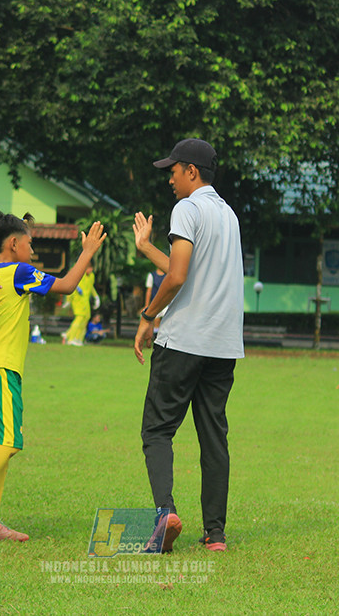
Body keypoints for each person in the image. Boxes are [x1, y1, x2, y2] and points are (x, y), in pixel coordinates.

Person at [0, 212, 106, 543]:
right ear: (13, 244)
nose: (33, 252)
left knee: (1, 442)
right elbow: (67, 286)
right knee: (8, 442)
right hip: (1, 367)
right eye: (30, 244)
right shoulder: (18, 272)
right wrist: (87, 251)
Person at [132, 138, 244, 553]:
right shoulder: (228, 215)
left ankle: (166, 514)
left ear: (191, 172)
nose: (170, 180)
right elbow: (187, 270)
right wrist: (146, 248)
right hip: (223, 343)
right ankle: (215, 534)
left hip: (183, 341)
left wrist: (147, 316)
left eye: (173, 171)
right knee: (214, 435)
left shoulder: (188, 208)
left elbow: (178, 278)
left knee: (157, 430)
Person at [64, 264, 98, 346]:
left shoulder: (91, 276)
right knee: (80, 317)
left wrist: (96, 296)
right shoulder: (79, 273)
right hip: (77, 299)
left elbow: (91, 287)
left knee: (86, 317)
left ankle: (78, 338)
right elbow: (70, 283)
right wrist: (68, 300)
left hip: (85, 300)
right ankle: (70, 337)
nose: (90, 270)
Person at [144, 266, 167, 334]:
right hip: (155, 302)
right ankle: (155, 336)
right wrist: (147, 305)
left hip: (166, 303)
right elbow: (149, 291)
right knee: (156, 321)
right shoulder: (152, 275)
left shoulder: (167, 275)